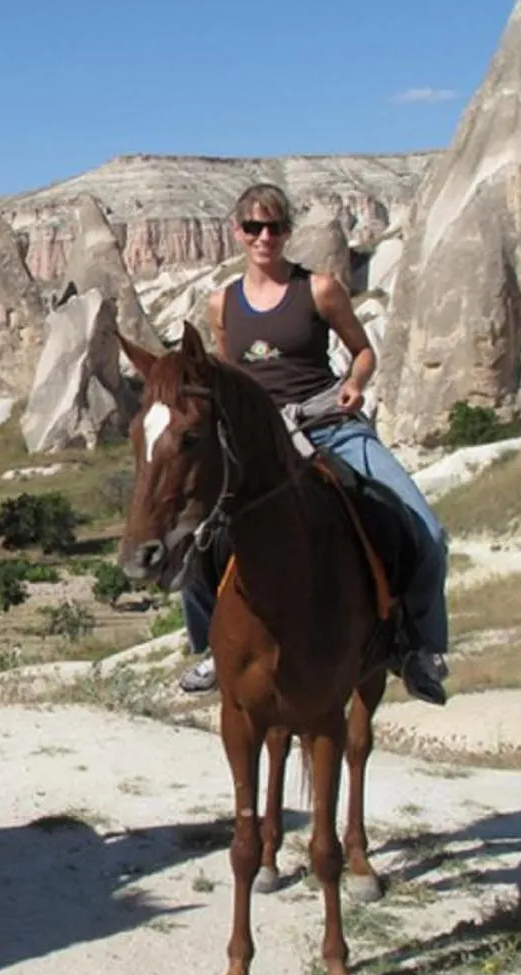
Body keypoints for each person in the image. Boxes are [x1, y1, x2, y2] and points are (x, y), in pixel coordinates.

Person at [177, 184, 452, 706]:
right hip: (259, 443)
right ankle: (211, 644)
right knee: (192, 537)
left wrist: (356, 383)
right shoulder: (221, 303)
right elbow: (230, 374)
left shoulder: (319, 289)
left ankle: (420, 646)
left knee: (428, 531)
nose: (264, 237)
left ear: (287, 232)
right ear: (238, 232)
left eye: (274, 227)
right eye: (254, 227)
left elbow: (363, 351)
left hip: (328, 424)